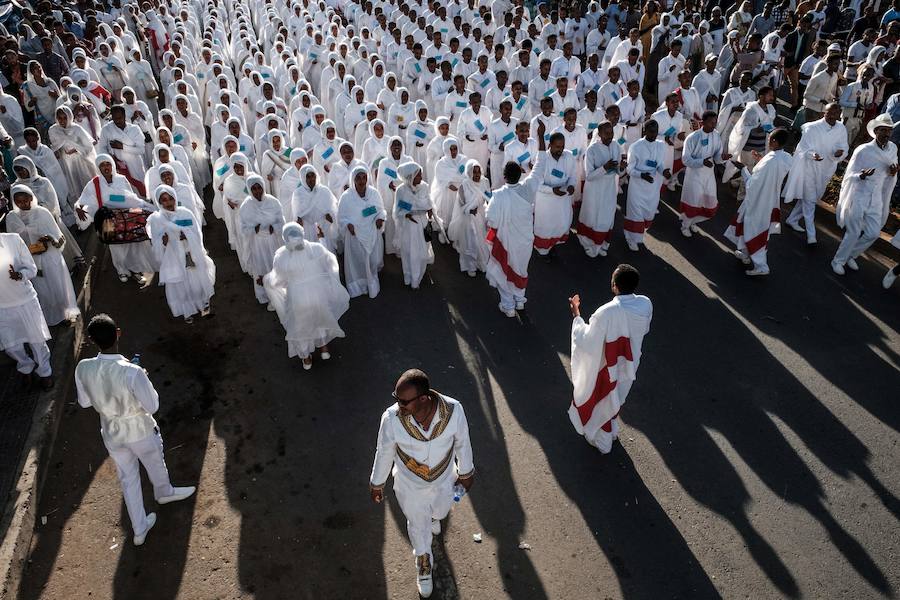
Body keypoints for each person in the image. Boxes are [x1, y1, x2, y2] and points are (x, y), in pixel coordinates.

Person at [75, 314, 196, 546]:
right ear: (118, 333)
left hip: (111, 432)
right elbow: (153, 405)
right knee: (155, 463)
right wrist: (143, 379)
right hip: (140, 430)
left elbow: (84, 402)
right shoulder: (132, 371)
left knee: (127, 478)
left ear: (91, 341)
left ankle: (139, 529)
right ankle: (164, 493)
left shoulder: (83, 367)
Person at [369, 369, 475, 599]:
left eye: (404, 401)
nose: (399, 405)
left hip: (445, 478)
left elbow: (463, 442)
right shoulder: (391, 418)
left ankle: (433, 518)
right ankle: (424, 563)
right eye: (397, 398)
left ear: (424, 398)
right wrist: (377, 483)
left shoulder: (453, 410)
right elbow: (384, 452)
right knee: (418, 524)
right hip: (410, 486)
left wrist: (466, 472)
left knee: (440, 511)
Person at [568, 264, 652, 453]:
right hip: (631, 364)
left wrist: (577, 317)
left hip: (608, 366)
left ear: (615, 285)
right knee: (618, 397)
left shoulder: (606, 312)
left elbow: (587, 341)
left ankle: (604, 442)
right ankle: (612, 431)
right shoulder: (646, 303)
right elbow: (644, 329)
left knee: (603, 401)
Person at [263, 223, 350, 369]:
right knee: (320, 318)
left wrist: (268, 281)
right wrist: (322, 240)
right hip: (318, 294)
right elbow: (330, 262)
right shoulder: (316, 248)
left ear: (285, 238)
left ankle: (306, 358)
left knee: (301, 326)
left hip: (298, 298)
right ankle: (324, 349)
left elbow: (278, 281)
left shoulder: (281, 256)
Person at [485, 122, 548, 317]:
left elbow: (491, 222)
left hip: (506, 242)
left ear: (504, 177)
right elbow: (540, 165)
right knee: (521, 269)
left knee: (504, 272)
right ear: (521, 173)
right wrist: (540, 137)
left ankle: (509, 305)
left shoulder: (498, 196)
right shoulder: (528, 188)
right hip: (525, 242)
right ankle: (520, 300)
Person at [831, 114, 898, 275]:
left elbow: (892, 171)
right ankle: (838, 261)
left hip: (876, 198)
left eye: (889, 130)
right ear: (876, 131)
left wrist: (893, 172)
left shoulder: (893, 149)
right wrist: (861, 176)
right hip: (859, 195)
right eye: (883, 130)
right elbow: (849, 175)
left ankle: (851, 255)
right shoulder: (863, 150)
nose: (887, 134)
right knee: (853, 232)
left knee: (873, 233)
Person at [725, 128, 793, 276]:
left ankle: (761, 266)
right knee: (749, 226)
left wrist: (743, 169)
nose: (768, 142)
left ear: (774, 141)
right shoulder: (786, 157)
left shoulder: (769, 161)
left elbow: (752, 185)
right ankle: (745, 253)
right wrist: (760, 160)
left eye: (770, 140)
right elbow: (771, 170)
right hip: (770, 199)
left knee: (753, 230)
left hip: (758, 201)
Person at [8, 185, 79, 326]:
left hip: (50, 257)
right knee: (43, 291)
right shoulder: (12, 218)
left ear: (31, 197)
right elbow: (13, 242)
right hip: (31, 260)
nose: (23, 204)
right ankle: (50, 318)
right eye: (18, 201)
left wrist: (48, 239)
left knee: (58, 286)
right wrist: (29, 250)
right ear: (14, 201)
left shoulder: (42, 212)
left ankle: (65, 314)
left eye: (25, 200)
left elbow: (59, 237)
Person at [146, 186, 215, 323]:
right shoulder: (156, 220)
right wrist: (164, 242)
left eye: (170, 198)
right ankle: (186, 311)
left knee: (197, 283)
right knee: (181, 288)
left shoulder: (185, 213)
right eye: (164, 200)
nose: (168, 203)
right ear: (159, 202)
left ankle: (202, 304)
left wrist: (187, 236)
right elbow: (156, 243)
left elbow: (196, 233)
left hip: (190, 254)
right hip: (173, 259)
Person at [0, 214, 53, 390]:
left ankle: (45, 371)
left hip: (25, 300)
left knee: (37, 340)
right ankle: (25, 366)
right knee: (11, 345)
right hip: (2, 307)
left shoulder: (13, 240)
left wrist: (19, 274)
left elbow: (30, 267)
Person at [782, 104, 848, 245]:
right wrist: (812, 155)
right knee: (810, 200)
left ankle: (792, 220)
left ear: (839, 114)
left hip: (827, 169)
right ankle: (811, 235)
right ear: (824, 112)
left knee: (811, 197)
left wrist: (839, 153)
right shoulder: (811, 128)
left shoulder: (841, 128)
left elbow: (844, 147)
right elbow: (803, 149)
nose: (832, 116)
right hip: (809, 168)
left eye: (836, 113)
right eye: (829, 112)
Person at [338, 166, 387, 298]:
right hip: (355, 235)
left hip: (372, 232)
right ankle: (359, 286)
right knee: (358, 261)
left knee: (372, 260)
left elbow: (381, 210)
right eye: (358, 178)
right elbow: (341, 217)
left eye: (364, 177)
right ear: (353, 179)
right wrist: (348, 225)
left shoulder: (374, 193)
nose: (361, 180)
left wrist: (380, 219)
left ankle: (372, 281)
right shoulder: (346, 197)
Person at [577, 122, 623, 257]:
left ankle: (603, 243)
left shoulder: (616, 146)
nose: (610, 136)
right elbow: (589, 176)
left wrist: (621, 167)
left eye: (611, 133)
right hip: (595, 191)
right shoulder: (592, 150)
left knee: (607, 215)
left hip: (609, 188)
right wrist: (604, 168)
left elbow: (619, 170)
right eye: (606, 133)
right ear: (600, 133)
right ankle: (589, 243)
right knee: (593, 216)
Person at [679, 111, 727, 236]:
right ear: (703, 122)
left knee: (709, 202)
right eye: (711, 123)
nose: (714, 125)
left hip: (709, 174)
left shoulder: (716, 135)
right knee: (693, 200)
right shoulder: (692, 138)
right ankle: (685, 226)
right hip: (694, 175)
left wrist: (723, 157)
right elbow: (685, 159)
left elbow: (717, 156)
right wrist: (701, 162)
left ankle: (693, 221)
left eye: (715, 123)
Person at [624, 120, 668, 252]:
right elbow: (629, 169)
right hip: (638, 186)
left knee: (648, 214)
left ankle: (638, 235)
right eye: (651, 131)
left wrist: (663, 171)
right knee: (635, 214)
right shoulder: (636, 147)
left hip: (652, 187)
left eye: (656, 131)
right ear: (645, 131)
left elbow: (659, 164)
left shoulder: (661, 145)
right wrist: (641, 175)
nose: (654, 134)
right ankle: (631, 238)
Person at [239, 174, 285, 304]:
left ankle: (278, 293)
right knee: (260, 267)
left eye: (259, 187)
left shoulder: (273, 202)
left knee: (274, 265)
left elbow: (282, 221)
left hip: (272, 241)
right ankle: (265, 295)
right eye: (254, 189)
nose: (257, 191)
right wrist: (254, 230)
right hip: (257, 243)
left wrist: (275, 227)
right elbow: (243, 229)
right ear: (249, 190)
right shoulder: (246, 206)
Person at [393, 161, 435, 289]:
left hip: (422, 224)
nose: (421, 178)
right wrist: (406, 214)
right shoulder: (400, 191)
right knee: (408, 253)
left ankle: (418, 276)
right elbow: (397, 211)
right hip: (409, 226)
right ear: (410, 176)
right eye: (418, 175)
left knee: (422, 253)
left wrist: (430, 210)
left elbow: (429, 202)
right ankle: (410, 277)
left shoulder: (425, 187)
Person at [448, 160, 491, 276]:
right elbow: (461, 204)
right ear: (469, 173)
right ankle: (470, 266)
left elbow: (489, 199)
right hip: (467, 218)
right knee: (470, 241)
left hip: (480, 216)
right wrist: (469, 210)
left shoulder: (485, 182)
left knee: (481, 240)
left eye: (478, 172)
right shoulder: (464, 185)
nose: (477, 175)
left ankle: (481, 262)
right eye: (474, 172)